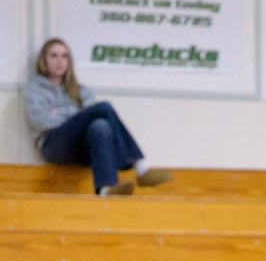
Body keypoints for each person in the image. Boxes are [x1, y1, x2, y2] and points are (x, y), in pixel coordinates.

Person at [23, 38, 169, 196]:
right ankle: (140, 166)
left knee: (100, 125)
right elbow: (40, 121)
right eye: (54, 55)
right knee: (104, 108)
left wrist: (60, 114)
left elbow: (89, 117)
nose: (60, 61)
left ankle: (106, 188)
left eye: (64, 56)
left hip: (81, 148)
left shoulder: (80, 90)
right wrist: (77, 118)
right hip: (52, 145)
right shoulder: (34, 88)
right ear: (43, 60)